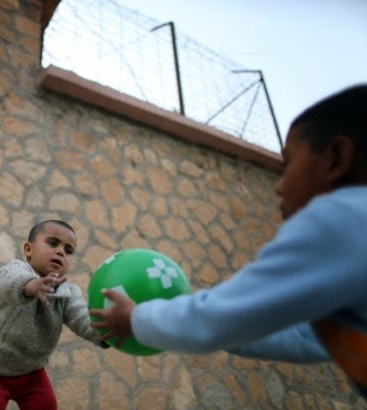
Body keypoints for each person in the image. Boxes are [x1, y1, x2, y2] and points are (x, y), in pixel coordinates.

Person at [90, 84, 367, 397]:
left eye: (286, 165)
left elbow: (222, 318)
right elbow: (295, 336)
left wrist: (136, 319)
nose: (278, 187)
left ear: (337, 158)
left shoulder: (341, 218)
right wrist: (199, 314)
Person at [0, 220, 107, 409]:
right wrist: (31, 286)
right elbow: (7, 282)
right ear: (28, 249)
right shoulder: (16, 269)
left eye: (68, 250)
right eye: (53, 243)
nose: (60, 251)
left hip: (31, 371)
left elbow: (81, 318)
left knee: (47, 405)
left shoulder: (67, 294)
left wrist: (107, 332)